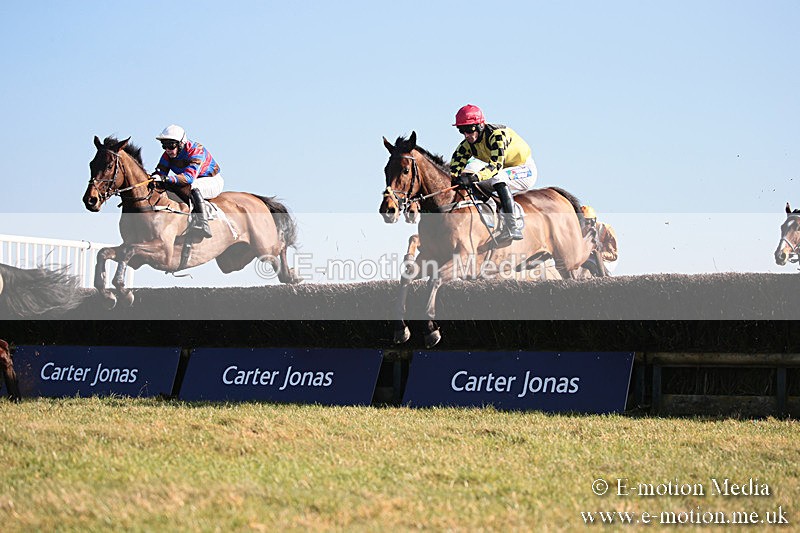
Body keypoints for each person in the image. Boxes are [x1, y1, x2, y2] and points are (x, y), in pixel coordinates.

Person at [449, 104, 538, 243]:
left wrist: (474, 177)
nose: (466, 135)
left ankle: (512, 225)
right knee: (472, 179)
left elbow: (495, 166)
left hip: (524, 169)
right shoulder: (466, 146)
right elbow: (453, 170)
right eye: (462, 131)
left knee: (496, 177)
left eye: (469, 129)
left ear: (480, 125)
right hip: (504, 171)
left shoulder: (496, 135)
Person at [151, 125, 224, 238]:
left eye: (171, 145)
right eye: (164, 146)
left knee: (193, 187)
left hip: (211, 180)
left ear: (181, 143)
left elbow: (189, 178)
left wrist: (165, 179)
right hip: (191, 181)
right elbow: (160, 173)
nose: (167, 150)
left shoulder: (196, 150)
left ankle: (203, 223)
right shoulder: (167, 155)